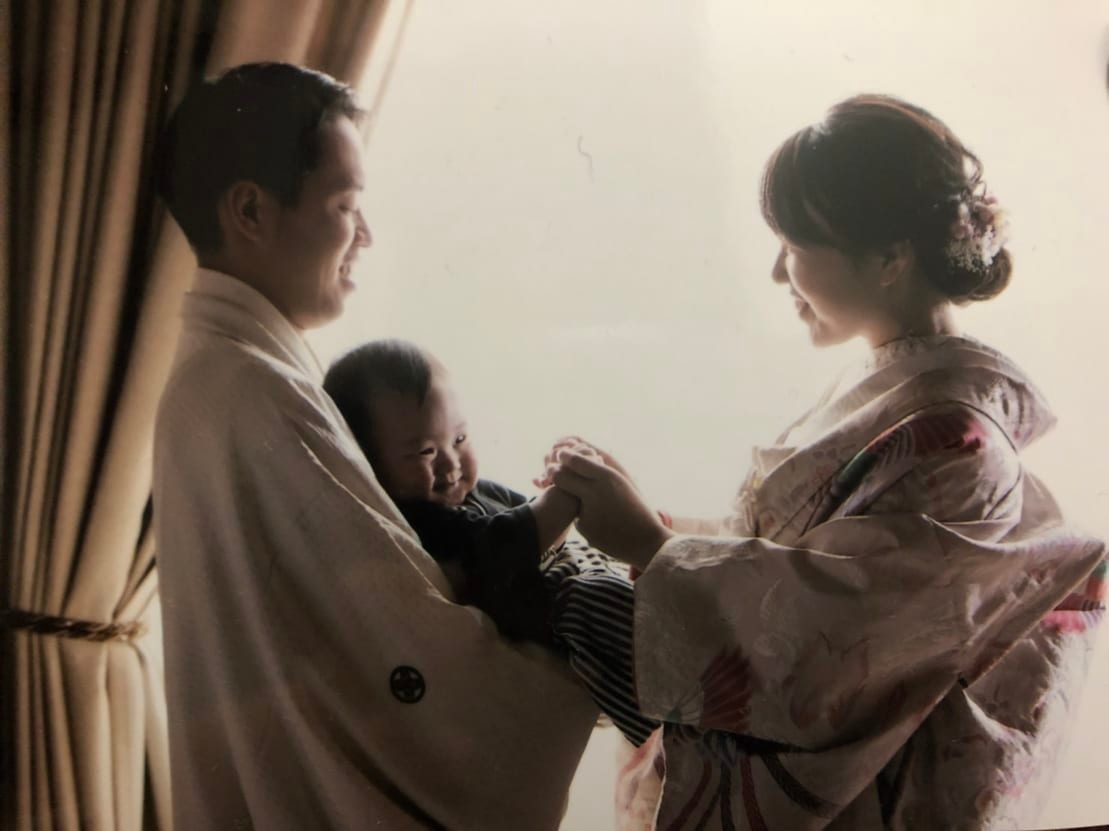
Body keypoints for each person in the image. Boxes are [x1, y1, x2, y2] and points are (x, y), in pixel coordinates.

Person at [544, 95, 1107, 830]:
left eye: (794, 244)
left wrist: (654, 547)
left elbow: (842, 638)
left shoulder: (958, 440)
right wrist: (652, 526)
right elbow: (799, 556)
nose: (779, 273)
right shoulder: (895, 391)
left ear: (890, 258)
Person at [152, 62, 598, 830]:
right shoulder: (256, 391)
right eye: (345, 206)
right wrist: (567, 647)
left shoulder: (223, 373)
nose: (366, 235)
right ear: (251, 210)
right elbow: (408, 637)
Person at [323, 337, 660, 744]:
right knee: (605, 606)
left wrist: (560, 483)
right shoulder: (416, 520)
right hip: (560, 613)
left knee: (639, 588)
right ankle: (682, 712)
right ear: (368, 465)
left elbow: (536, 522)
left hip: (578, 571)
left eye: (459, 439)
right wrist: (564, 498)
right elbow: (500, 544)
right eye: (425, 452)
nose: (451, 464)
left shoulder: (477, 490)